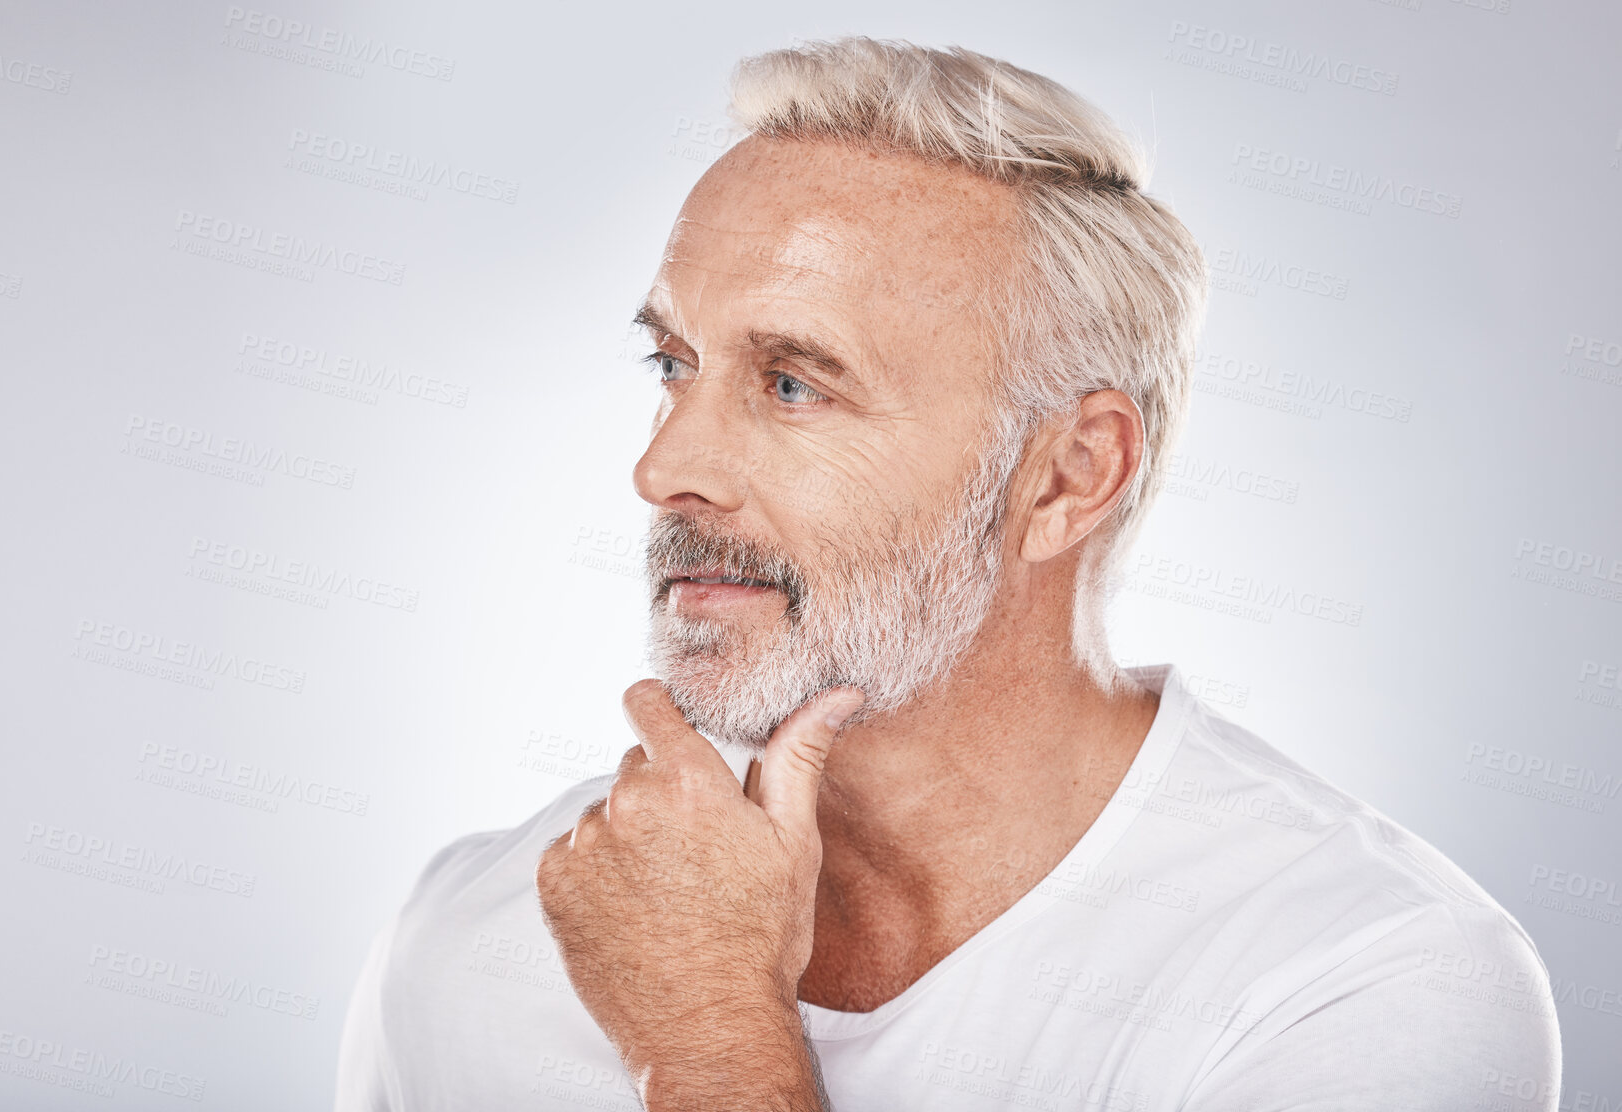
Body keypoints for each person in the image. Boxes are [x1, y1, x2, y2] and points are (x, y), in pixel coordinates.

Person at [335, 36, 1561, 1111]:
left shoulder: (1359, 977)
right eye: (673, 365)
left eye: (791, 382)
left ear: (1067, 476)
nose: (666, 467)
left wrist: (708, 1036)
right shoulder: (475, 940)